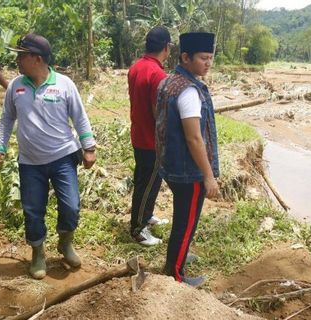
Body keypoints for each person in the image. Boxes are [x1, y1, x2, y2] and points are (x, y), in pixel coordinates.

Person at [0, 34, 97, 280]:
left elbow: (79, 117)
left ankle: (65, 243)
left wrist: (88, 147)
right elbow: (7, 118)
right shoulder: (16, 86)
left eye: (21, 55)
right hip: (30, 163)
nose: (17, 59)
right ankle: (38, 252)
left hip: (63, 157)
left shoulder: (64, 84)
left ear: (37, 59)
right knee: (33, 210)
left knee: (70, 205)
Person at [155, 32, 220, 287]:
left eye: (210, 58)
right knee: (186, 221)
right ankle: (176, 275)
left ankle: (177, 258)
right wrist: (208, 175)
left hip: (170, 165)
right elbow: (194, 138)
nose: (208, 63)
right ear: (185, 57)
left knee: (182, 217)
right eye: (203, 58)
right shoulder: (189, 91)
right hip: (188, 171)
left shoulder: (168, 82)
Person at [127, 26, 172, 246]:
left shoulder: (136, 67)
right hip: (151, 140)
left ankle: (147, 215)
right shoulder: (158, 74)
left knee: (146, 181)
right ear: (167, 47)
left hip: (138, 134)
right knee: (148, 183)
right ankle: (138, 228)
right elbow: (159, 113)